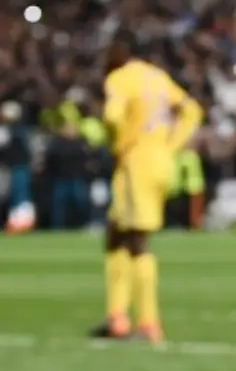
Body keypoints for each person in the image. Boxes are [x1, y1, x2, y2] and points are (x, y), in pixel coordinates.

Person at [90, 29, 204, 342]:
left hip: (135, 162)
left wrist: (119, 144)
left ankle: (148, 323)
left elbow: (113, 117)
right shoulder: (158, 77)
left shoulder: (120, 78)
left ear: (120, 51)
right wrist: (171, 145)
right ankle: (116, 317)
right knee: (116, 235)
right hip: (159, 161)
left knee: (137, 240)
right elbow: (192, 111)